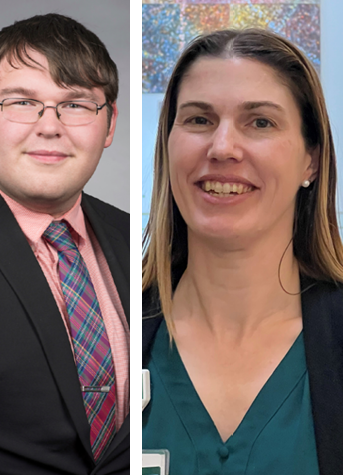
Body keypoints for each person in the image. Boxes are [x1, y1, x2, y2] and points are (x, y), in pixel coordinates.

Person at [0, 14, 129, 475]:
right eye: (22, 102)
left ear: (110, 122)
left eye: (76, 105)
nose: (50, 126)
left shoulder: (133, 240)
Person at [142, 29, 343, 475]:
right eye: (199, 120)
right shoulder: (112, 328)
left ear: (311, 159)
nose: (222, 148)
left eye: (261, 122)